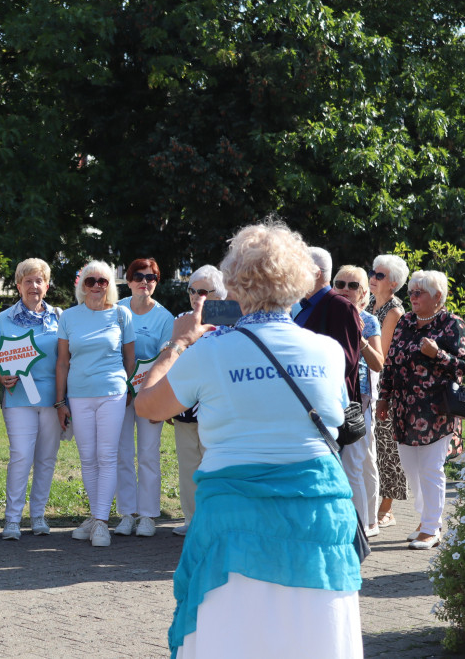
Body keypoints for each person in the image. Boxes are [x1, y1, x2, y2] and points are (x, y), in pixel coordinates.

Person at [137, 219, 362, 658]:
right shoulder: (328, 351)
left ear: (235, 285)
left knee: (237, 636)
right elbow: (335, 420)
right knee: (313, 635)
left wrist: (178, 345)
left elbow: (148, 407)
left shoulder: (210, 351)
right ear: (298, 283)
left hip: (234, 517)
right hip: (317, 511)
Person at [377, 270, 465, 550]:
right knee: (411, 469)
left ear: (438, 297)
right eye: (412, 292)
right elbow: (392, 362)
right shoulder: (406, 321)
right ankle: (427, 518)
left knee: (430, 469)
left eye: (420, 293)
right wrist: (384, 397)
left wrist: (438, 354)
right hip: (405, 409)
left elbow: (464, 367)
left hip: (437, 410)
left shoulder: (453, 324)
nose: (413, 297)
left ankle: (432, 527)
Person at [55, 261, 135, 547]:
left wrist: (125, 388)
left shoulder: (121, 314)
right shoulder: (68, 316)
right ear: (82, 286)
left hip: (112, 392)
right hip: (78, 395)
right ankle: (96, 515)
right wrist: (60, 401)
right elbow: (62, 362)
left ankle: (100, 521)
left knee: (107, 456)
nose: (97, 286)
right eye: (91, 281)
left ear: (110, 285)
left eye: (103, 281)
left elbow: (130, 359)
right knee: (87, 458)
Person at [0, 259, 62, 540]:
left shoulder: (60, 318)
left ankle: (38, 516)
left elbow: (67, 359)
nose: (34, 286)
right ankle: (11, 520)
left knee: (46, 459)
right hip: (18, 397)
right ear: (18, 285)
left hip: (53, 399)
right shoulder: (3, 320)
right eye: (28, 281)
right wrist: (0, 376)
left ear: (46, 285)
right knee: (21, 456)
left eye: (39, 281)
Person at [115, 258, 174, 538]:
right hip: (119, 393)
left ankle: (149, 515)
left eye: (151, 278)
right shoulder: (116, 310)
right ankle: (127, 513)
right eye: (138, 276)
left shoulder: (164, 317)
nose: (144, 282)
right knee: (123, 453)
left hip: (151, 394)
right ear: (128, 280)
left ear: (156, 282)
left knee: (148, 455)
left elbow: (168, 357)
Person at [170, 265, 226, 536]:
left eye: (203, 291)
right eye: (192, 290)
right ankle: (192, 521)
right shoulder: (180, 320)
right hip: (184, 405)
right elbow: (171, 363)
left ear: (218, 293)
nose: (196, 296)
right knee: (188, 466)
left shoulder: (228, 322)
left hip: (215, 407)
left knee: (213, 466)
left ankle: (214, 522)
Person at [331, 265, 384, 538]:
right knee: (350, 463)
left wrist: (360, 338)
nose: (345, 290)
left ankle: (362, 528)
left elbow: (378, 363)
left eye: (353, 286)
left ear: (363, 293)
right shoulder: (325, 317)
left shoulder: (369, 320)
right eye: (340, 283)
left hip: (358, 402)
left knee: (357, 462)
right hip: (328, 399)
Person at [367, 254, 410, 528]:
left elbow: (380, 353)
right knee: (373, 444)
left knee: (387, 447)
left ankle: (387, 508)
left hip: (387, 384)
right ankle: (373, 503)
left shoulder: (394, 310)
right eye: (372, 272)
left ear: (392, 283)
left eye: (379, 275)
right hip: (368, 380)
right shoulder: (370, 303)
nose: (372, 277)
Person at [294, 246, 363, 406]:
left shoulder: (340, 306)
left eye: (299, 268)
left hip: (326, 406)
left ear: (316, 273)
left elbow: (347, 361)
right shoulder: (304, 306)